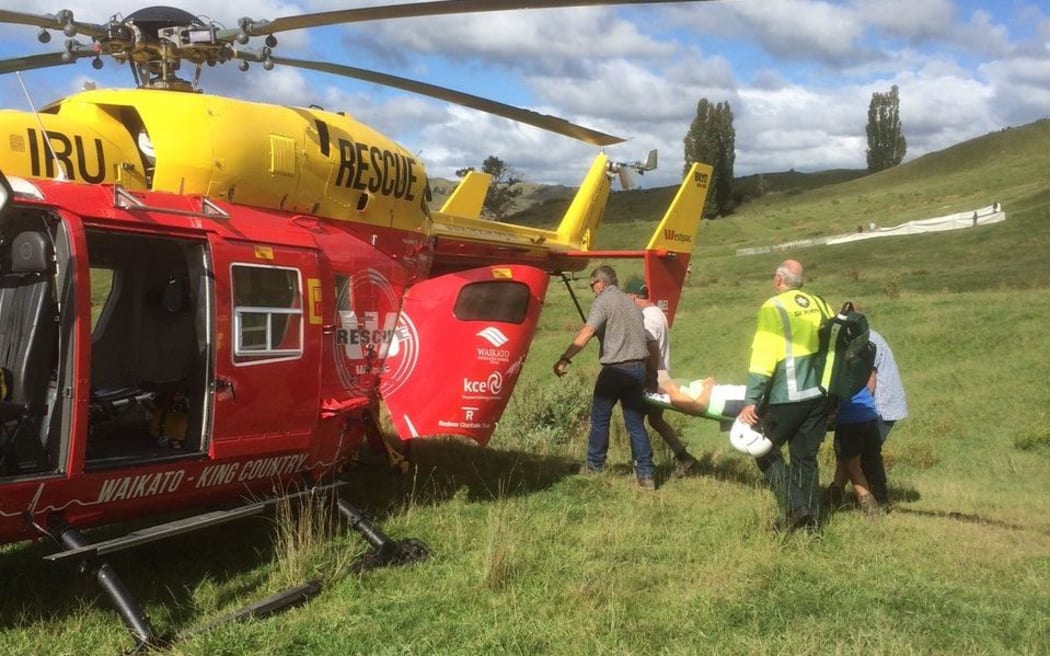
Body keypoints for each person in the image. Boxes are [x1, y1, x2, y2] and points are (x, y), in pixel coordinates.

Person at [738, 259, 831, 533]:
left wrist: (751, 399)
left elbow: (763, 356)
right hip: (818, 394)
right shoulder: (819, 303)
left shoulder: (773, 307)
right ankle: (813, 526)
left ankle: (795, 507)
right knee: (805, 457)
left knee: (761, 448)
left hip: (787, 394)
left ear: (779, 280)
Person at [553, 265, 656, 489]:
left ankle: (594, 466)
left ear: (600, 283)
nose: (593, 291)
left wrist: (565, 357)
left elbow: (587, 332)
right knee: (635, 423)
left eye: (593, 286)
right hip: (638, 368)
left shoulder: (603, 301)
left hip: (615, 370)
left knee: (600, 419)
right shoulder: (632, 302)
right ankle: (647, 475)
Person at [624, 277, 697, 478]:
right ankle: (683, 457)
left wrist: (649, 379)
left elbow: (651, 348)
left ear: (632, 297)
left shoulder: (646, 317)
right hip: (663, 373)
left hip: (652, 376)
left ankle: (640, 465)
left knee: (634, 421)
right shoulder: (657, 312)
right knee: (656, 420)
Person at [862, 328, 908, 504]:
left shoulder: (869, 341)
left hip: (882, 406)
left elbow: (870, 380)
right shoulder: (869, 336)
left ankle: (879, 499)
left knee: (868, 451)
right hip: (881, 405)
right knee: (865, 451)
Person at [826, 380, 883, 516]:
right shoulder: (858, 364)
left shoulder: (837, 368)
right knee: (843, 462)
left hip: (849, 419)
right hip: (869, 415)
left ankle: (871, 509)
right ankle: (832, 499)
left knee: (853, 467)